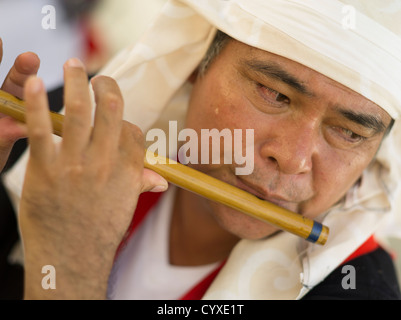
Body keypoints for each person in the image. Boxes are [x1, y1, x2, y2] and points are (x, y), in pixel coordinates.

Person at [1, 0, 401, 300]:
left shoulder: (361, 287)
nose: (293, 158)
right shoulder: (74, 122)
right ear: (198, 61)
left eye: (349, 133)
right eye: (275, 93)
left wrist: (68, 261)